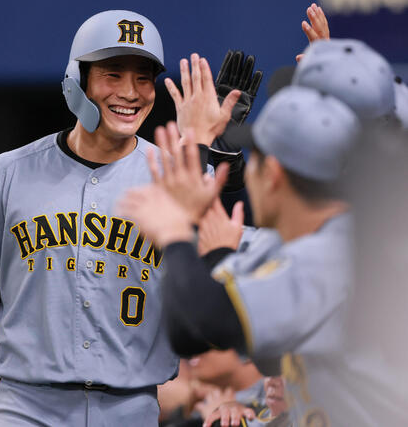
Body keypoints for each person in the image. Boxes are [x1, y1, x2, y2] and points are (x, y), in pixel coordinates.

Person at [0, 10, 243, 427]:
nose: (130, 92)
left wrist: (224, 156)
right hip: (26, 409)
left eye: (143, 78)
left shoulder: (176, 176)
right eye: (113, 74)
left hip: (133, 409)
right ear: (78, 79)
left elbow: (229, 269)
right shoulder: (10, 173)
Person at [118, 83, 370, 424]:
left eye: (253, 163)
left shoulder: (327, 258)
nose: (247, 175)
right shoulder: (343, 241)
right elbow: (266, 352)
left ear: (273, 175)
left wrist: (175, 234)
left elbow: (195, 328)